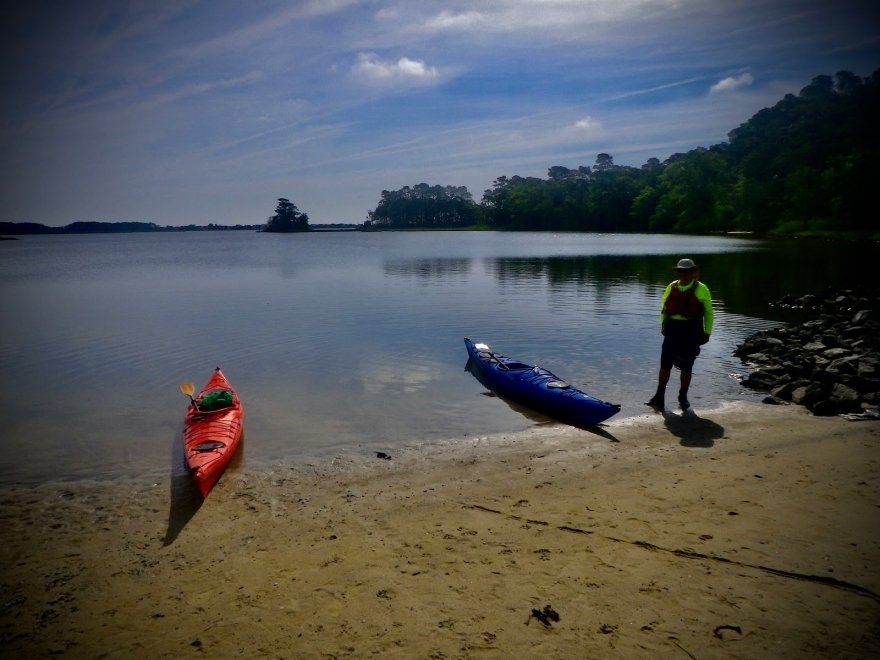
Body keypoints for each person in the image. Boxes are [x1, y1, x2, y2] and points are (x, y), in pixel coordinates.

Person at [646, 258, 713, 411]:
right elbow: (664, 308)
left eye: (686, 271)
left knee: (687, 366)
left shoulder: (701, 289)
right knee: (665, 364)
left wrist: (707, 332)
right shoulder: (672, 286)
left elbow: (709, 313)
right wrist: (663, 325)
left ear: (692, 272)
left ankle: (683, 397)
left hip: (691, 329)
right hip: (672, 329)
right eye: (680, 271)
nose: (682, 274)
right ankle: (659, 396)